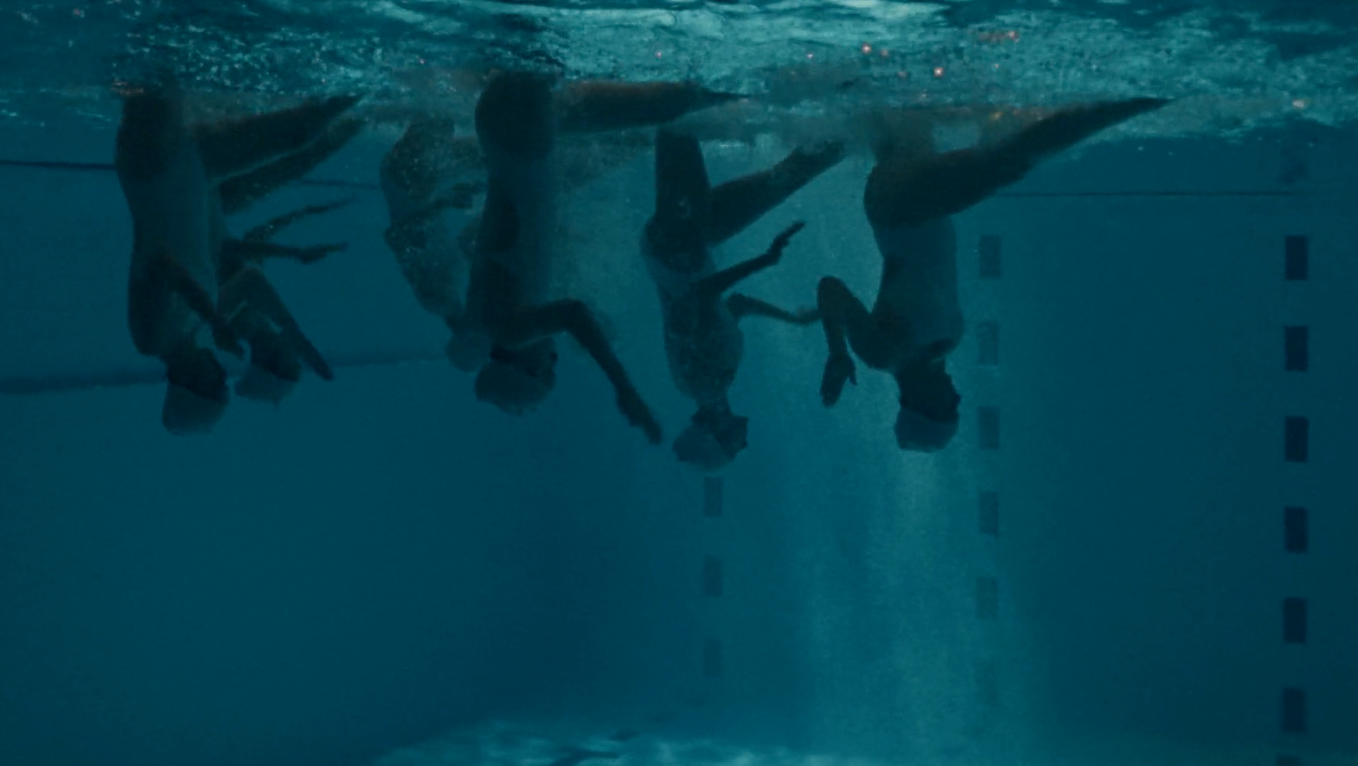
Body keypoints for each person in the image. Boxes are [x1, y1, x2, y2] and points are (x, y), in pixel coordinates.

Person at [814, 97, 1167, 451]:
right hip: (915, 202)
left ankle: (1136, 98)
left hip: (902, 212)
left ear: (923, 405)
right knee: (902, 106)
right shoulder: (946, 345)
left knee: (1004, 163)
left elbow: (830, 289)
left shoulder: (884, 354)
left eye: (949, 407)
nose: (958, 396)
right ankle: (844, 83)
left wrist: (838, 352)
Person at [449, 71, 737, 444]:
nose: (553, 357)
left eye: (549, 368)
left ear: (528, 367)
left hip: (521, 130)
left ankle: (780, 82)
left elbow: (572, 314)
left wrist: (624, 388)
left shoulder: (509, 330)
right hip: (516, 131)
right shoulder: (488, 317)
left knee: (677, 102)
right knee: (661, 109)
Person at [114, 85, 361, 433]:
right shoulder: (195, 329)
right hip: (195, 172)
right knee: (301, 132)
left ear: (190, 384)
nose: (223, 377)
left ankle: (374, 80)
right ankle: (381, 74)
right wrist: (297, 335)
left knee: (157, 75)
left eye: (217, 387)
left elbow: (160, 262)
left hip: (153, 166)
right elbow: (250, 282)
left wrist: (215, 319)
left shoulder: (151, 340)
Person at [643, 128, 845, 470]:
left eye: (735, 448)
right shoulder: (712, 379)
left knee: (678, 124)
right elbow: (736, 305)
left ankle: (853, 126)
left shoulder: (705, 380)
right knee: (783, 180)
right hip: (687, 247)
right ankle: (849, 127)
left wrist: (764, 261)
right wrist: (792, 319)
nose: (745, 443)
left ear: (717, 433)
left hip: (679, 247)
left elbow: (695, 297)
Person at [379, 116, 484, 334]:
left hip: (405, 183)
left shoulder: (439, 297)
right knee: (487, 152)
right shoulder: (454, 275)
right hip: (415, 184)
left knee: (439, 116)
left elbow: (396, 236)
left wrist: (444, 202)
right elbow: (466, 238)